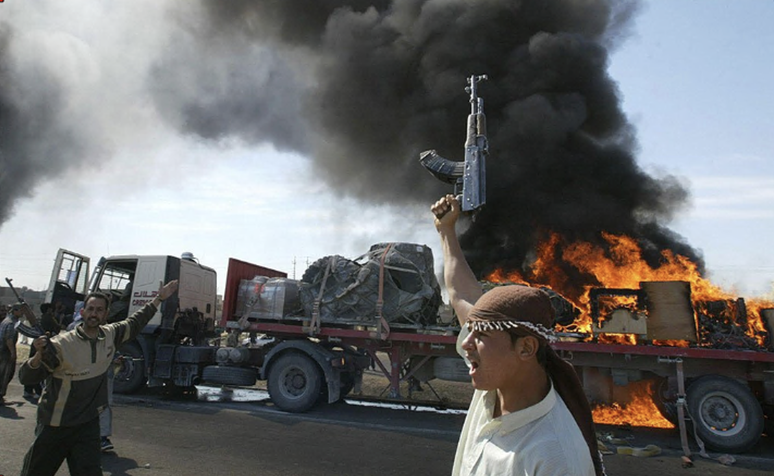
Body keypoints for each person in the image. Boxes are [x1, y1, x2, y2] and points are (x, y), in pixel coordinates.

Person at [431, 195, 604, 476]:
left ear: (526, 348)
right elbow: (461, 293)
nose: (465, 343)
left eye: (481, 336)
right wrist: (446, 230)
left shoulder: (554, 456)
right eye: (470, 330)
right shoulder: (495, 387)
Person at [18, 280, 179, 476]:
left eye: (100, 310)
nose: (94, 313)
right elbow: (27, 377)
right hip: (55, 424)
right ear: (83, 312)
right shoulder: (62, 344)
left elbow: (136, 321)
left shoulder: (111, 335)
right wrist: (37, 356)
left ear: (105, 315)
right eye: (91, 309)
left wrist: (159, 298)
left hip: (87, 424)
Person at [23, 303, 64, 400]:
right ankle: (37, 391)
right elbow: (58, 328)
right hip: (43, 345)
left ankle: (28, 390)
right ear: (49, 309)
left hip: (37, 344)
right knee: (40, 367)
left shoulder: (43, 318)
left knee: (33, 365)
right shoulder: (49, 318)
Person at [0, 303, 24, 405]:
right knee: (5, 375)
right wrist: (13, 353)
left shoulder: (7, 321)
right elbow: (8, 339)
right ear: (14, 311)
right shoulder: (10, 323)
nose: (22, 313)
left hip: (3, 351)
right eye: (20, 310)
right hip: (5, 352)